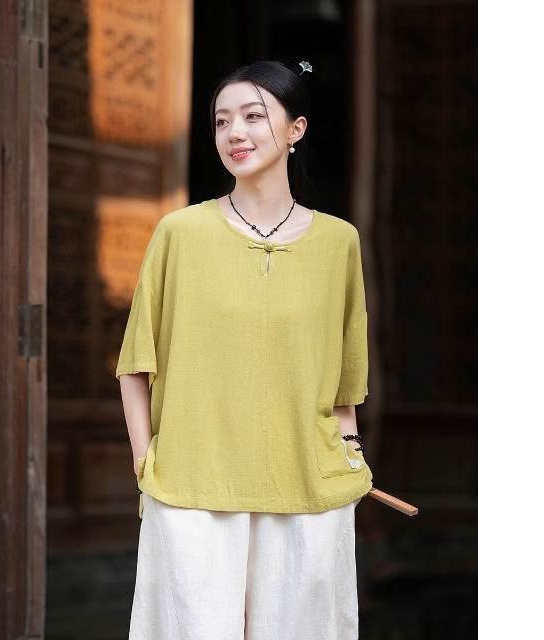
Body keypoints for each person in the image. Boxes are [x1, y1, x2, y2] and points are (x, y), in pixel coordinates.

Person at [116, 59, 372, 640]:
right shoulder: (180, 233)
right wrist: (146, 464)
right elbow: (135, 363)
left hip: (309, 488)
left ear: (296, 129)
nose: (235, 132)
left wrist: (351, 455)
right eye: (221, 121)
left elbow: (345, 381)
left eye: (254, 116)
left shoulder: (339, 243)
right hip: (191, 487)